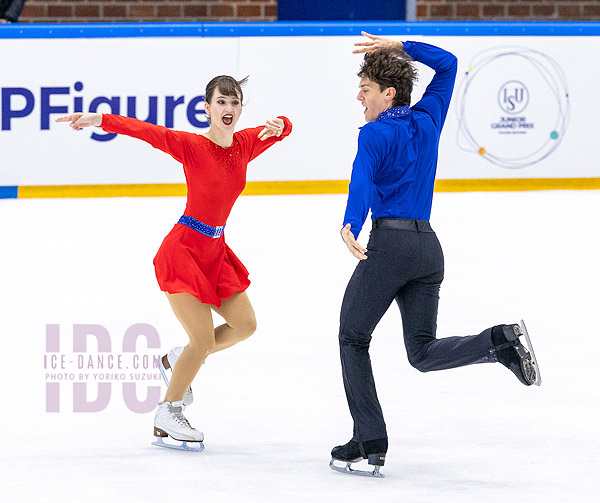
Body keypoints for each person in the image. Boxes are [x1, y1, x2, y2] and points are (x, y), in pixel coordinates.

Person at [329, 33, 540, 477]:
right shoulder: (428, 117)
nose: (358, 97)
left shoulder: (373, 133)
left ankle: (369, 440)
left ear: (388, 93)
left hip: (390, 246)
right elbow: (448, 63)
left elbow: (361, 182)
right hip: (428, 249)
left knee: (352, 336)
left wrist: (350, 223)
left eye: (364, 89)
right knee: (421, 353)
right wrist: (403, 45)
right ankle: (498, 340)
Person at [57, 75, 292, 450]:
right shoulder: (191, 146)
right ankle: (168, 411)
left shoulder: (245, 144)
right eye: (221, 103)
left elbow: (280, 130)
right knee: (201, 340)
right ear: (207, 108)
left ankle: (177, 359)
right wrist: (100, 119)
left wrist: (282, 124)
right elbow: (145, 131)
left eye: (235, 103)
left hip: (216, 253)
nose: (228, 110)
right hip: (183, 251)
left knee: (245, 324)